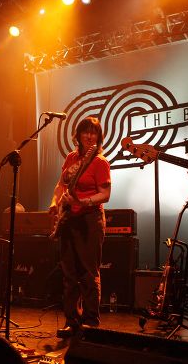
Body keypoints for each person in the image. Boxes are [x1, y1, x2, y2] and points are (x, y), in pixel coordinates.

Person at [48, 117, 111, 338]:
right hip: (69, 219)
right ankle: (72, 321)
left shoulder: (100, 162)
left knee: (88, 273)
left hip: (90, 220)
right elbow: (60, 185)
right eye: (86, 131)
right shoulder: (71, 158)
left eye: (94, 133)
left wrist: (82, 202)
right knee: (69, 273)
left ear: (98, 137)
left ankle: (91, 322)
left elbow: (105, 194)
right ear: (78, 135)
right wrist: (55, 203)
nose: (89, 136)